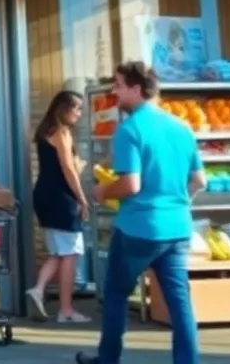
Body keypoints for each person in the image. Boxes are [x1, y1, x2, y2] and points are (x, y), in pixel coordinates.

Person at [76, 62, 205, 364]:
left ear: (136, 89)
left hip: (138, 228)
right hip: (177, 227)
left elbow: (131, 185)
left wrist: (101, 191)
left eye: (119, 85)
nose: (114, 91)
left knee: (117, 293)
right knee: (179, 302)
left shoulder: (130, 129)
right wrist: (177, 201)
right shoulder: (182, 127)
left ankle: (107, 359)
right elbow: (199, 180)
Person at [26, 89, 90, 323]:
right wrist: (82, 198)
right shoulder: (62, 132)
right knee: (71, 253)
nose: (79, 114)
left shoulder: (45, 131)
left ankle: (38, 289)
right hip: (61, 199)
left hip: (45, 196)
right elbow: (67, 168)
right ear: (64, 108)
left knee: (60, 252)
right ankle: (66, 309)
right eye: (77, 108)